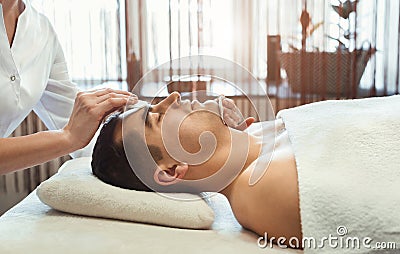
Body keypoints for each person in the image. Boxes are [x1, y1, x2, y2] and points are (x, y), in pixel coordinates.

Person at [91, 92, 302, 245]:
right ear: (170, 171)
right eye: (156, 117)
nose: (173, 97)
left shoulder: (261, 134)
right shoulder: (263, 189)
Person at [0, 0, 134, 174]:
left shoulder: (41, 30)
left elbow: (71, 116)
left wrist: (137, 157)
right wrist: (68, 137)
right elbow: (73, 131)